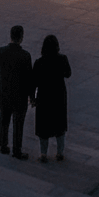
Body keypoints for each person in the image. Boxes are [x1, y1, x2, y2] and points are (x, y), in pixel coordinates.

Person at [0, 25, 34, 159]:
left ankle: (3, 146)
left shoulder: (0, 52)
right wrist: (31, 96)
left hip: (4, 92)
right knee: (18, 124)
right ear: (21, 37)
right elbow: (29, 79)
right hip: (19, 95)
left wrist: (3, 81)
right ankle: (17, 150)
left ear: (10, 35)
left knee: (3, 121)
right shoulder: (25, 56)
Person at [33, 34, 72, 162]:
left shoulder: (39, 62)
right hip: (59, 96)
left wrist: (32, 98)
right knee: (60, 125)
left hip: (44, 97)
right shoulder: (62, 59)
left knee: (43, 126)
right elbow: (68, 74)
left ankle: (43, 154)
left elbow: (34, 82)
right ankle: (60, 152)